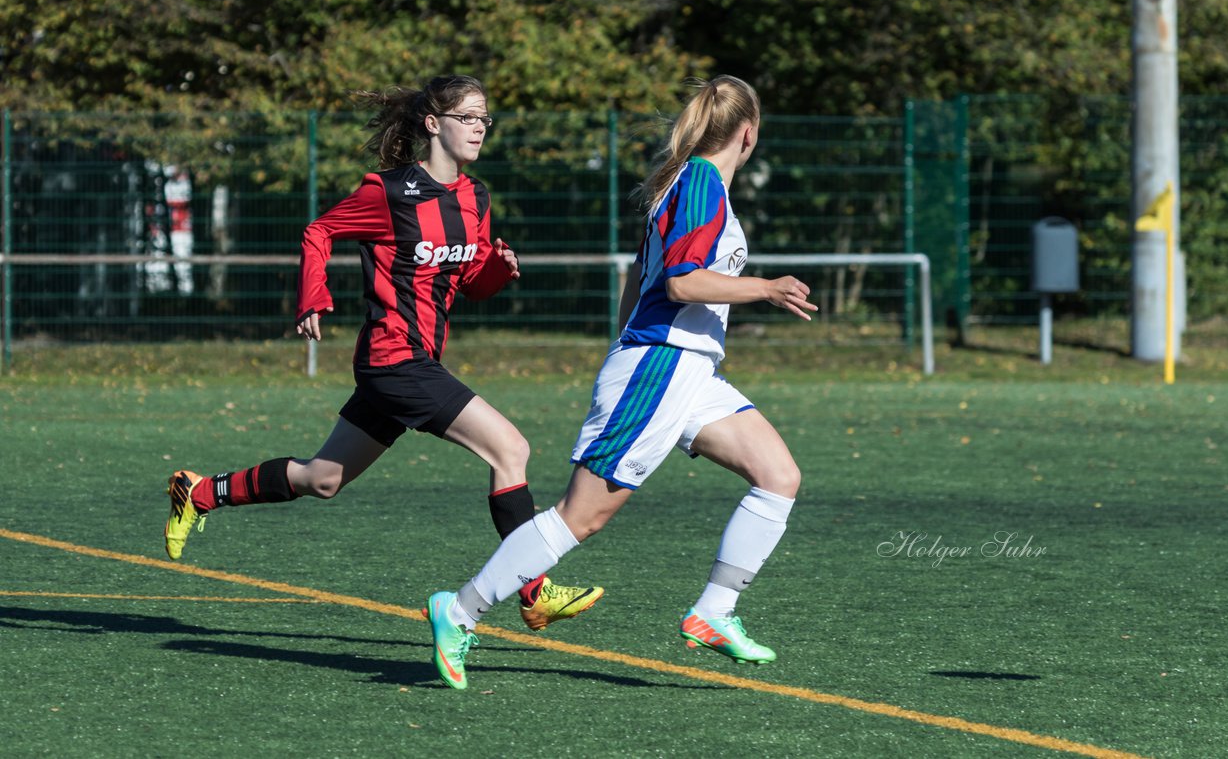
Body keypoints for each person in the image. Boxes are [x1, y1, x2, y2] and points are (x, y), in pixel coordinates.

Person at [163, 74, 602, 632]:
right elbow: (318, 232)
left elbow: (469, 282)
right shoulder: (389, 191)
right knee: (510, 450)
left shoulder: (476, 197)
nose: (479, 129)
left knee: (322, 479)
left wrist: (496, 270)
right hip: (393, 358)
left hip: (416, 365)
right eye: (467, 117)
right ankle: (534, 591)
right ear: (433, 124)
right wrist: (313, 296)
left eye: (484, 119)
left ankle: (201, 492)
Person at [425, 75, 817, 689]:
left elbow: (640, 279)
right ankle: (460, 610)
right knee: (579, 518)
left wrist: (631, 338)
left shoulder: (690, 183)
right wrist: (764, 288)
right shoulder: (700, 185)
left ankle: (713, 614)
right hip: (661, 368)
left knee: (779, 476)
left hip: (685, 368)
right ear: (750, 131)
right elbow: (681, 283)